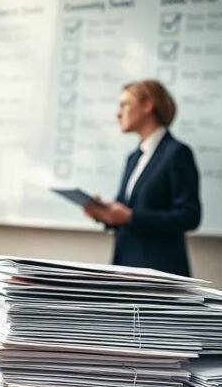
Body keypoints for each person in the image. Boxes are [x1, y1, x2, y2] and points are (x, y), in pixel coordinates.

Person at [83, 80, 201, 276]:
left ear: (147, 105)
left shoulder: (177, 153)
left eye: (124, 104)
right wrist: (103, 212)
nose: (118, 113)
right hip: (126, 269)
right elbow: (125, 210)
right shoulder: (133, 157)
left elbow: (190, 216)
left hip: (160, 275)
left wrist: (131, 216)